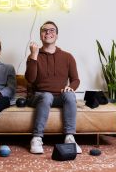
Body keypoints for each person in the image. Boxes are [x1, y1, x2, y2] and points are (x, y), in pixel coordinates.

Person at [25, 21, 81, 154]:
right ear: (40, 35)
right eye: (45, 30)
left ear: (56, 35)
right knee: (46, 95)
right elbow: (30, 79)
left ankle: (69, 137)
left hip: (59, 96)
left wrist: (70, 87)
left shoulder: (68, 57)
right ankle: (37, 138)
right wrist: (34, 55)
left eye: (52, 30)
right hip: (39, 96)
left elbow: (76, 80)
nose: (48, 33)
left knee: (69, 95)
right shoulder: (34, 55)